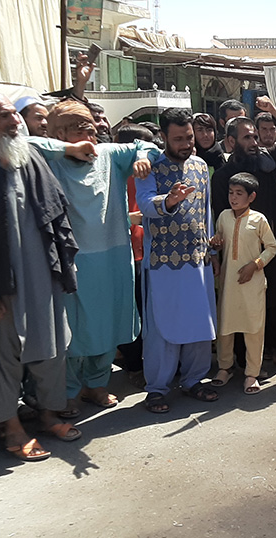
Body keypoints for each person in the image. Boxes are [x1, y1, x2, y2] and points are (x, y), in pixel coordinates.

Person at [0, 91, 85, 461]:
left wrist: (65, 268)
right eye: (6, 116)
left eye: (15, 115)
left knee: (53, 348)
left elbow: (57, 217)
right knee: (1, 358)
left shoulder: (32, 161)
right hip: (0, 286)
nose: (15, 122)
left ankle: (47, 413)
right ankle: (10, 425)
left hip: (43, 277)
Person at [29, 100, 154, 416]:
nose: (90, 134)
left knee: (110, 322)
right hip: (74, 259)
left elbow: (149, 146)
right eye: (79, 129)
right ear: (59, 134)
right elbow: (25, 144)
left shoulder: (110, 155)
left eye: (92, 128)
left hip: (114, 255)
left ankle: (96, 385)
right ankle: (68, 391)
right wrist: (66, 150)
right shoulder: (51, 160)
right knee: (76, 329)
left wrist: (140, 156)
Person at [212, 96, 276, 372]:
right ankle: (245, 361)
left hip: (273, 245)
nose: (253, 142)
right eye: (246, 138)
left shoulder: (267, 166)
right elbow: (221, 215)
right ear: (231, 142)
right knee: (243, 304)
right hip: (241, 251)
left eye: (255, 136)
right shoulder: (223, 177)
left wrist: (273, 111)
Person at [135, 108, 218, 413]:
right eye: (178, 139)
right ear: (163, 137)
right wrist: (168, 201)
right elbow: (145, 204)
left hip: (197, 261)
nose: (186, 144)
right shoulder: (150, 167)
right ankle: (156, 388)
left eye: (189, 137)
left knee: (198, 323)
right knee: (162, 329)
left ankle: (194, 380)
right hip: (163, 264)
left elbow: (206, 211)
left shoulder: (199, 165)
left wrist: (211, 251)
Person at [210, 173, 276, 393]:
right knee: (225, 327)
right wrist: (216, 243)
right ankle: (225, 368)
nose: (233, 198)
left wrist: (255, 265)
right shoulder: (223, 217)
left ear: (252, 197)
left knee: (253, 328)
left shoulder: (259, 220)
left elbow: (272, 247)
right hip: (229, 282)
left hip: (253, 283)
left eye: (239, 193)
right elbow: (218, 241)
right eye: (231, 193)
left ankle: (252, 373)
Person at [115, 124, 156, 389]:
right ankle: (134, 365)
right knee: (129, 311)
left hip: (149, 250)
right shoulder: (115, 172)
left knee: (148, 309)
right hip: (122, 251)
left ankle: (149, 361)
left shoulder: (151, 171)